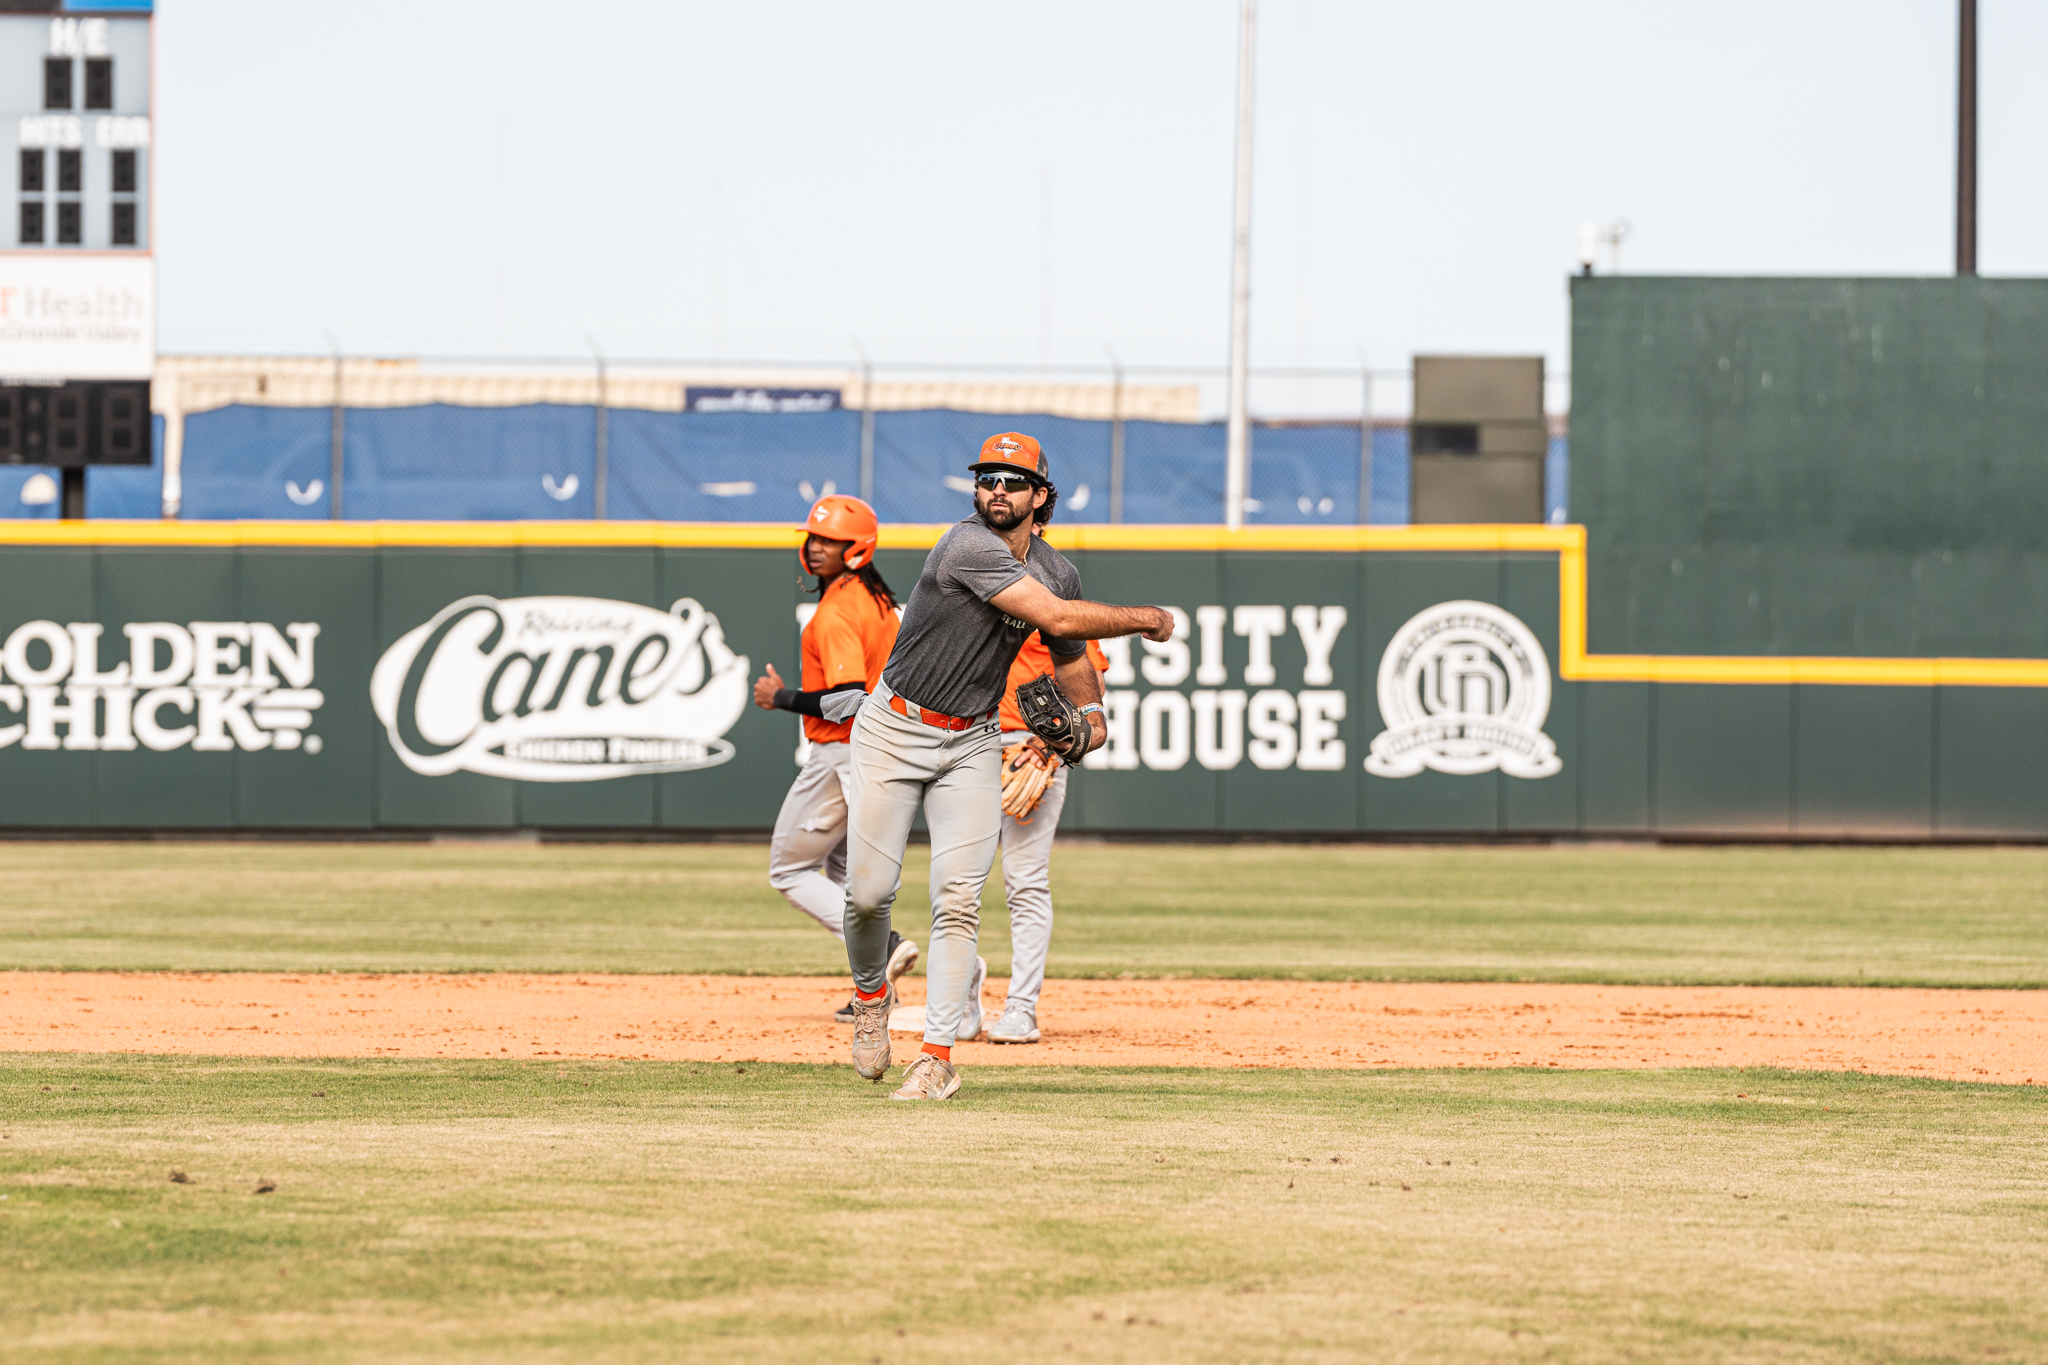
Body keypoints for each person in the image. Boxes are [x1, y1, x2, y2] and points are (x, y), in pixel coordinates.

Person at [838, 431, 1173, 1101]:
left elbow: (1068, 653)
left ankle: (936, 1057)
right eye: (987, 477)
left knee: (959, 900)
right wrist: (1148, 618)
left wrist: (1095, 720)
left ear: (1040, 495)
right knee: (868, 895)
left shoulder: (1059, 569)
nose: (997, 488)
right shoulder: (965, 546)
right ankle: (872, 993)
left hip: (972, 741)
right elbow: (1051, 613)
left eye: (1012, 480)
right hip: (895, 726)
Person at [752, 494, 917, 1021]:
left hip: (843, 753)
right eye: (816, 537)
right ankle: (870, 992)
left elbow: (848, 700)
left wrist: (780, 698)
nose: (819, 547)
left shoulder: (840, 609)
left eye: (833, 541)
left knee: (788, 870)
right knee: (846, 872)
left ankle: (885, 946)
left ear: (858, 549)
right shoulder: (877, 601)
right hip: (879, 750)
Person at [984, 499, 1109, 1045]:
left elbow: (1088, 687)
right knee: (953, 882)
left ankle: (1021, 1007)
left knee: (1025, 881)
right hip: (965, 741)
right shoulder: (974, 578)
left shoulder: (1056, 587)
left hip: (1029, 747)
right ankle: (959, 1002)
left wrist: (1049, 746)